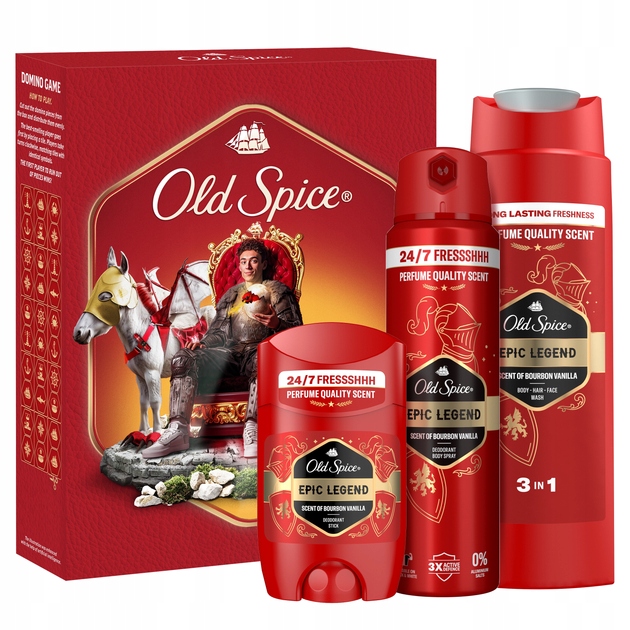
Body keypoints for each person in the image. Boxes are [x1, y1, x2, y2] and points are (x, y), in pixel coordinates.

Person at [143, 239, 303, 458]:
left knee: (264, 357)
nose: (248, 266)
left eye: (254, 261)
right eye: (243, 261)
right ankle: (178, 431)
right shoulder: (231, 296)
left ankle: (253, 428)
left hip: (263, 351)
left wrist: (277, 324)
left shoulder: (279, 291)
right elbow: (218, 332)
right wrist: (203, 344)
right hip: (231, 354)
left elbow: (297, 332)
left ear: (264, 264)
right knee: (183, 358)